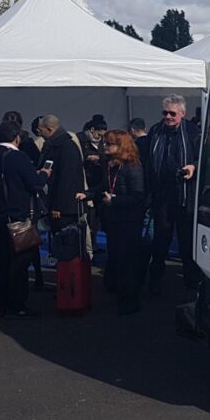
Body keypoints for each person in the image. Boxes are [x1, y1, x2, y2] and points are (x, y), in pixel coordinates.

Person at [77, 130, 146, 314]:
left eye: (109, 144)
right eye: (105, 143)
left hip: (128, 221)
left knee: (127, 260)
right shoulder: (110, 165)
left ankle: (130, 300)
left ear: (120, 146)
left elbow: (138, 196)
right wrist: (88, 194)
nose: (105, 146)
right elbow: (104, 187)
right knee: (116, 256)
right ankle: (118, 290)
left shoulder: (132, 167)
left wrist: (114, 200)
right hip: (114, 219)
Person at [0, 121, 49, 318]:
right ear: (17, 137)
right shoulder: (18, 157)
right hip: (17, 214)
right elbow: (34, 184)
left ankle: (3, 301)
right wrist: (44, 175)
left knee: (2, 259)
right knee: (20, 261)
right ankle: (17, 303)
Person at [146, 94, 200, 295]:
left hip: (185, 194)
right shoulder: (156, 130)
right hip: (162, 194)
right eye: (165, 112)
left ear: (182, 114)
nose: (168, 117)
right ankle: (155, 279)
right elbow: (147, 160)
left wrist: (193, 166)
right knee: (160, 240)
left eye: (172, 113)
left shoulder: (192, 131)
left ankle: (191, 284)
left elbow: (204, 158)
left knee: (186, 243)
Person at [37, 114, 87, 236]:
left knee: (65, 239)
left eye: (40, 130)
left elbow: (67, 179)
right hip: (57, 203)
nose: (39, 133)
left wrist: (58, 206)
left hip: (65, 207)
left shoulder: (66, 147)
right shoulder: (54, 145)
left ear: (49, 129)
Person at [81, 115, 108, 251]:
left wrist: (101, 158)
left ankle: (94, 242)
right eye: (98, 134)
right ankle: (88, 244)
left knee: (96, 216)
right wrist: (87, 158)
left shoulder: (104, 142)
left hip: (99, 181)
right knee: (89, 214)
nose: (99, 138)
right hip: (87, 181)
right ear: (92, 130)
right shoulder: (81, 140)